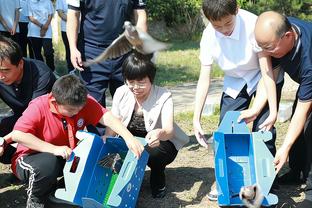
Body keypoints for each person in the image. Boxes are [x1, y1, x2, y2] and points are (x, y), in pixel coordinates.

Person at [4, 74, 144, 207]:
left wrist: (129, 138)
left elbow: (106, 116)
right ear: (55, 102)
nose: (76, 113)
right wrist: (54, 149)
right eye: (71, 110)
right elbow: (18, 135)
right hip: (30, 159)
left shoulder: (81, 102)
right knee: (48, 163)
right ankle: (36, 200)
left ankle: (56, 195)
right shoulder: (39, 107)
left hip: (65, 155)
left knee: (95, 153)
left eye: (79, 109)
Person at [193, 0, 284, 201]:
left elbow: (267, 70)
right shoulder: (209, 35)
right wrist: (196, 118)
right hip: (235, 80)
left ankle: (267, 182)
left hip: (264, 76)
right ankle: (224, 179)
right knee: (226, 128)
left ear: (237, 10)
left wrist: (266, 109)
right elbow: (204, 79)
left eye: (228, 23)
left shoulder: (253, 25)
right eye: (217, 26)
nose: (223, 30)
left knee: (264, 128)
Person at [242, 11, 312, 207]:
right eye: (261, 47)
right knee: (298, 129)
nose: (265, 52)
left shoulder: (308, 58)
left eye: (269, 48)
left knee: (309, 127)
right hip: (307, 83)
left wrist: (284, 147)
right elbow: (268, 77)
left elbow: (302, 110)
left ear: (288, 37)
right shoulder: (276, 38)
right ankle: (297, 172)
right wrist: (256, 109)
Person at [105, 52, 189, 198]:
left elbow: (169, 131)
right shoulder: (121, 92)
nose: (135, 87)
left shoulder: (164, 95)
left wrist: (158, 133)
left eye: (141, 82)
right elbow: (114, 121)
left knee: (154, 152)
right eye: (130, 81)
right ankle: (119, 182)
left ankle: (158, 179)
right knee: (108, 147)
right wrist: (107, 138)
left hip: (159, 143)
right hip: (130, 140)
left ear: (151, 79)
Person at [66, 0, 147, 110]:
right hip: (92, 52)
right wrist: (73, 48)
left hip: (124, 51)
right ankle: (101, 128)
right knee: (93, 104)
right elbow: (73, 15)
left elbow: (141, 15)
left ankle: (123, 127)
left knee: (128, 102)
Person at [0, 35, 56, 165]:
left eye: (5, 71)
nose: (1, 76)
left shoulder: (41, 74)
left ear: (20, 63)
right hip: (19, 118)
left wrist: (7, 139)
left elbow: (33, 118)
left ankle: (33, 162)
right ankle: (16, 161)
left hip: (45, 123)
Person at [27, 0, 55, 71]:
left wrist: (45, 27)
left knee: (48, 52)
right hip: (34, 32)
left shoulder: (48, 2)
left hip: (47, 31)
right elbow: (30, 17)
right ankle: (42, 71)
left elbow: (50, 15)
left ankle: (51, 71)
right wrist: (42, 26)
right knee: (37, 54)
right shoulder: (29, 2)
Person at [56, 0, 75, 73]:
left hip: (81, 29)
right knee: (69, 49)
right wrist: (73, 20)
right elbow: (60, 13)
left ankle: (82, 71)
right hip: (66, 29)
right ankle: (71, 71)